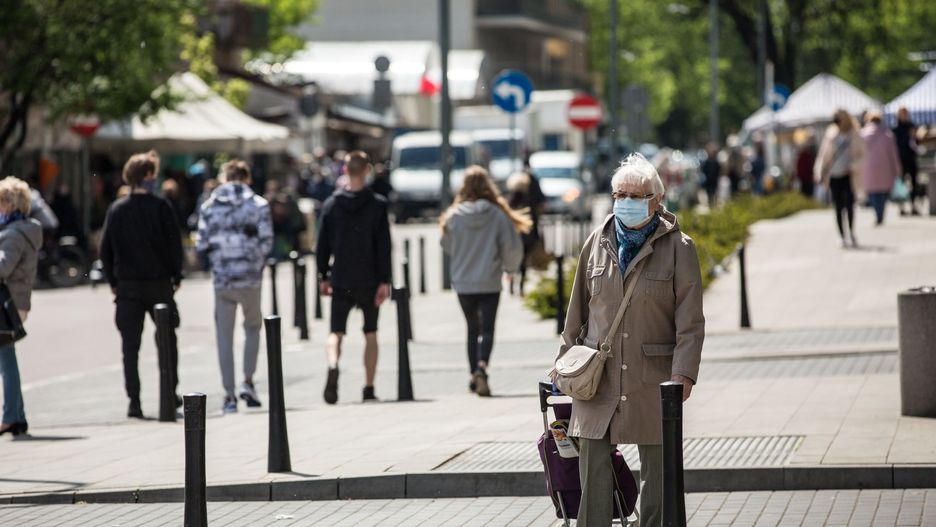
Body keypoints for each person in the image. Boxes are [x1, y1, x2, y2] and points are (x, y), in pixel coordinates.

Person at [557, 153, 704, 527]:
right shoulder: (596, 242)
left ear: (656, 200)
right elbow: (576, 314)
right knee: (593, 470)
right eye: (620, 195)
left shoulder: (679, 247)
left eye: (635, 196)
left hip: (653, 378)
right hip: (598, 377)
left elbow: (690, 322)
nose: (625, 202)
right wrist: (563, 367)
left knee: (658, 474)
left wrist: (683, 374)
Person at [99, 151, 183, 419]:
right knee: (167, 341)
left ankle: (133, 401)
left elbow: (105, 250)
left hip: (127, 287)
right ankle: (169, 392)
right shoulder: (161, 207)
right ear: (147, 175)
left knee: (130, 347)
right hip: (158, 283)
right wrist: (176, 276)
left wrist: (113, 281)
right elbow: (174, 245)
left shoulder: (117, 209)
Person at [442, 166, 528, 396]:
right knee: (487, 329)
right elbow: (511, 246)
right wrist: (510, 268)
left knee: (472, 329)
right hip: (489, 280)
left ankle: (473, 374)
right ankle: (482, 366)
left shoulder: (454, 216)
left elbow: (446, 244)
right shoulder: (497, 214)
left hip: (463, 282)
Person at [197, 160, 273, 414]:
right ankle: (248, 381)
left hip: (223, 279)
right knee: (252, 327)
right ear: (247, 178)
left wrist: (220, 256)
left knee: (224, 337)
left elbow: (202, 243)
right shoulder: (258, 205)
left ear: (224, 178)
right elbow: (267, 242)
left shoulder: (209, 206)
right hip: (250, 277)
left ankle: (228, 394)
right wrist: (253, 258)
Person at [316, 151, 391, 404]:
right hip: (369, 278)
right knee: (371, 332)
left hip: (341, 277)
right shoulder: (377, 204)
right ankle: (369, 387)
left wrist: (323, 275)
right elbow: (384, 246)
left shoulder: (331, 205)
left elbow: (321, 245)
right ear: (367, 171)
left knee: (335, 332)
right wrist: (385, 280)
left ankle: (333, 363)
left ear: (345, 171)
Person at [0, 177, 42, 436]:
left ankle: (11, 417)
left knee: (6, 361)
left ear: (9, 203)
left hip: (7, 304)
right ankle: (17, 416)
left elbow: (3, 267)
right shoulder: (25, 230)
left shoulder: (14, 234)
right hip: (16, 302)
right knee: (7, 359)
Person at [815, 109, 864, 248]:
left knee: (849, 205)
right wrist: (819, 171)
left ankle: (851, 232)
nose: (836, 121)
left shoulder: (854, 134)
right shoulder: (831, 133)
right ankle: (842, 236)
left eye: (838, 118)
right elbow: (823, 155)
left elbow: (862, 155)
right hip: (833, 175)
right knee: (838, 206)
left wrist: (853, 166)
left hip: (849, 174)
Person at [506, 170, 546, 296]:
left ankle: (512, 284)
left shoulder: (510, 201)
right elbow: (535, 217)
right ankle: (521, 286)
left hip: (514, 237)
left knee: (514, 262)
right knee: (523, 263)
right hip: (527, 237)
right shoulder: (529, 200)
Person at [860, 112, 902, 226]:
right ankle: (881, 214)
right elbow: (893, 155)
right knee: (883, 192)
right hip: (885, 167)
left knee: (873, 192)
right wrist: (897, 169)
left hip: (868, 167)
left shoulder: (863, 134)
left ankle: (877, 214)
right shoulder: (888, 135)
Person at [893, 107, 921, 216]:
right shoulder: (896, 128)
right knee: (901, 183)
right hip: (901, 159)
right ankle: (902, 206)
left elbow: (916, 143)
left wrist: (915, 136)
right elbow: (896, 144)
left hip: (911, 158)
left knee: (914, 182)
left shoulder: (911, 126)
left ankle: (913, 205)